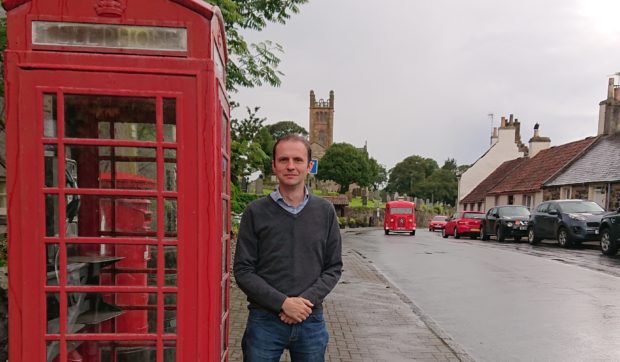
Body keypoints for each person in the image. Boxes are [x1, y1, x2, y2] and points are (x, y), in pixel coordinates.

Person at [234, 134, 343, 361]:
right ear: (274, 166)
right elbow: (243, 271)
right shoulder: (255, 212)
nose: (290, 166)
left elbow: (333, 267)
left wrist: (302, 304)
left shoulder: (325, 212)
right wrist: (283, 303)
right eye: (283, 160)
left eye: (297, 160)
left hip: (310, 320)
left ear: (309, 166)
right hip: (264, 321)